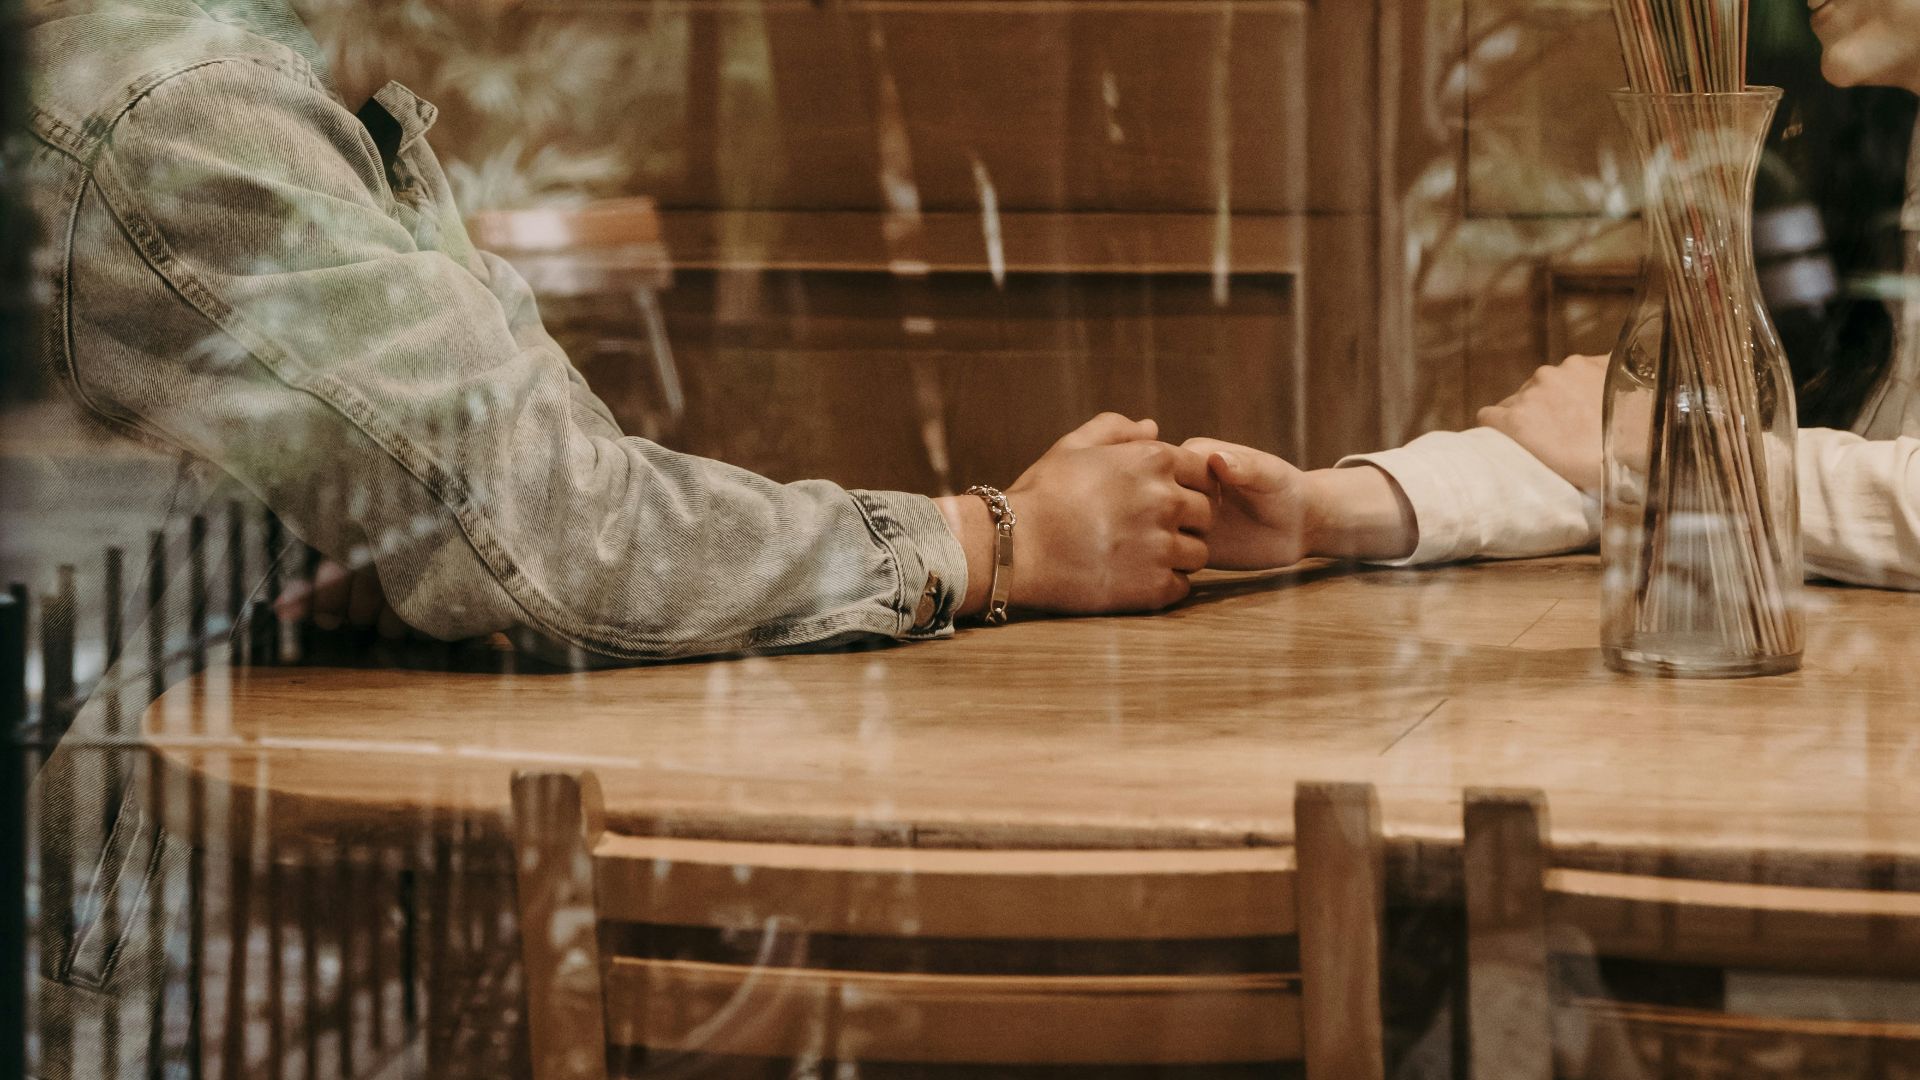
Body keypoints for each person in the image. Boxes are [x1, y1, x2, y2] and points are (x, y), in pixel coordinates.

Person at [16, 0, 1216, 1075]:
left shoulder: (216, 75)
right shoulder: (183, 107)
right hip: (192, 973)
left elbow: (505, 493)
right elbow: (563, 531)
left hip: (254, 929)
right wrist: (994, 541)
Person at [1192, 0, 1920, 591]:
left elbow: (1689, 472)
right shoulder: (1868, 177)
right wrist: (1322, 510)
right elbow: (1613, 471)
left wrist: (1678, 452)